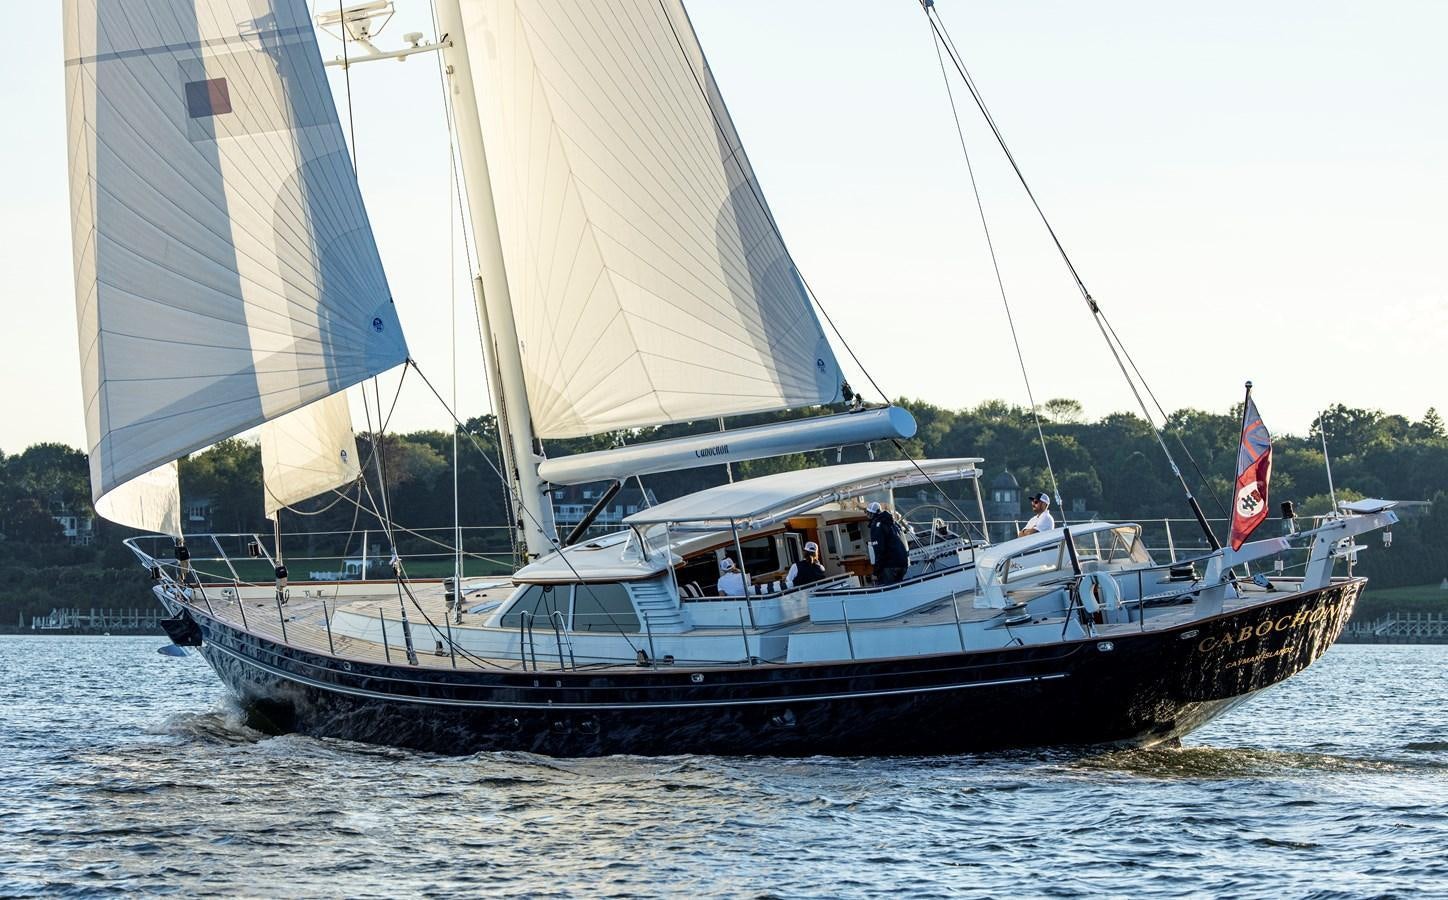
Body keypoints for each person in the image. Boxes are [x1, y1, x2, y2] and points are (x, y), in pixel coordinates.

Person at [867, 501, 909, 585]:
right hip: (903, 563)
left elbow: (879, 551)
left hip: (890, 565)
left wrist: (875, 572)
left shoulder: (876, 525)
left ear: (871, 514)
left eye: (867, 513)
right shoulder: (893, 523)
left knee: (886, 585)